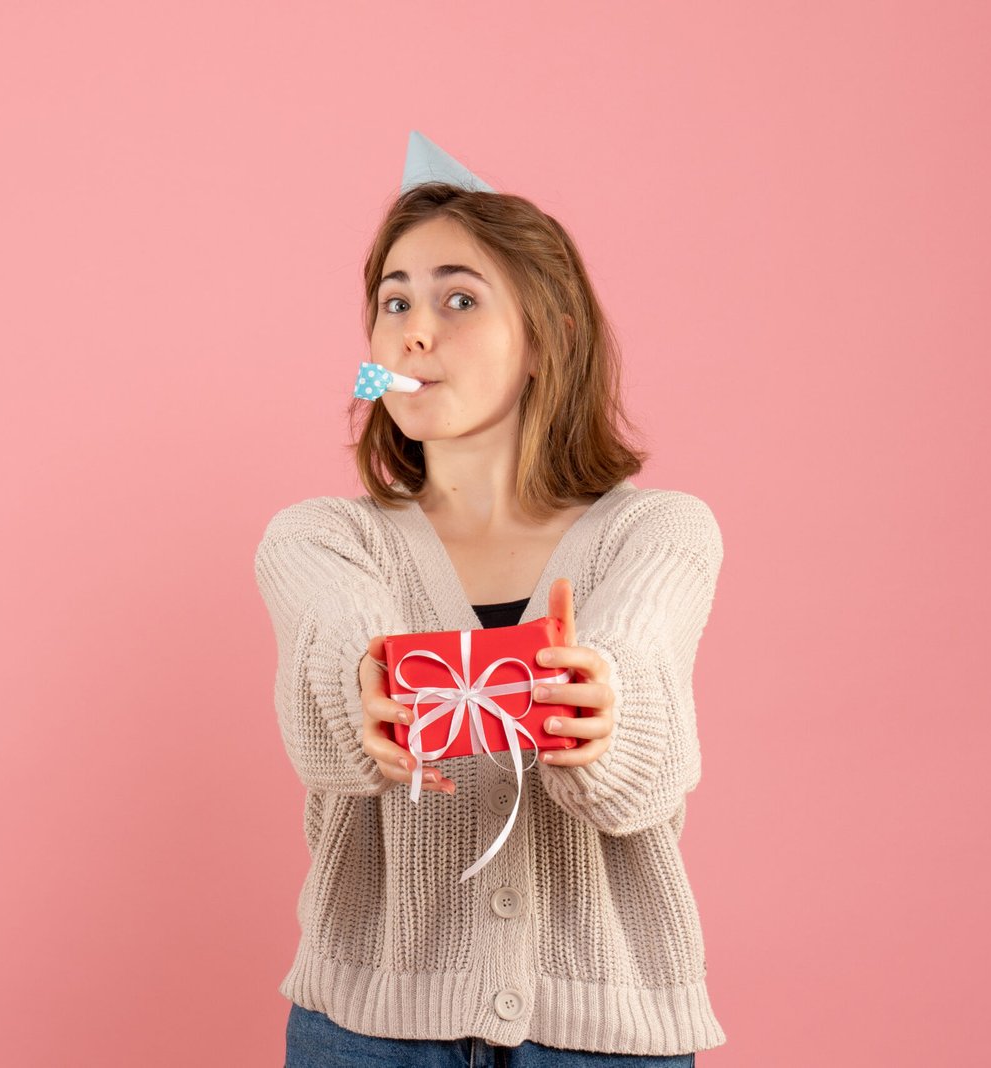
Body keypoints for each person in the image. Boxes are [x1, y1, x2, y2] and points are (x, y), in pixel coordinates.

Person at [253, 134, 727, 1067]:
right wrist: (365, 697)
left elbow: (645, 689)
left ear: (546, 340)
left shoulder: (662, 530)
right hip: (367, 1029)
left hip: (605, 1037)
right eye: (394, 302)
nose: (412, 333)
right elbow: (335, 652)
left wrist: (604, 713)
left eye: (458, 299)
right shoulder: (318, 537)